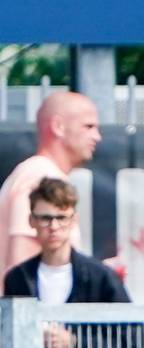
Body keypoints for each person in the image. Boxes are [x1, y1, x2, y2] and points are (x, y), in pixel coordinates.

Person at [4, 178, 128, 348]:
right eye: (45, 218)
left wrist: (75, 342)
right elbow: (7, 340)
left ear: (73, 220)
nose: (54, 227)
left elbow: (129, 344)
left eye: (61, 218)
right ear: (32, 221)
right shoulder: (17, 278)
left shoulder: (100, 277)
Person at [0, 92, 100, 282]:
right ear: (58, 127)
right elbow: (23, 268)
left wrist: (100, 274)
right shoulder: (39, 176)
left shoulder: (38, 173)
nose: (97, 136)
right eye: (88, 126)